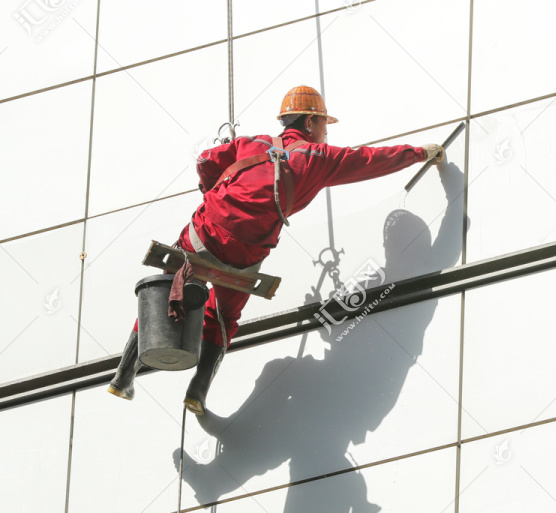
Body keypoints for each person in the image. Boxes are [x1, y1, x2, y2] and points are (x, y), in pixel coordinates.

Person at [107, 85, 444, 414]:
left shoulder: (252, 143)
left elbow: (207, 160)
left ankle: (124, 376)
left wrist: (217, 194)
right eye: (324, 124)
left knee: (166, 285)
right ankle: (197, 390)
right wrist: (420, 153)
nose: (326, 132)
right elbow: (370, 160)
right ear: (309, 123)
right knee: (224, 316)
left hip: (203, 233)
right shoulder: (318, 157)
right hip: (244, 253)